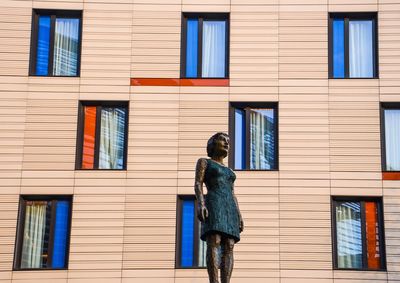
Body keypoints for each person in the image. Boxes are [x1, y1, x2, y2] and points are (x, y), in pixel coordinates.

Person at [194, 132, 244, 283]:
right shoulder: (204, 162)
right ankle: (214, 281)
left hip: (229, 206)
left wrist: (239, 215)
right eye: (223, 140)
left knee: (229, 244)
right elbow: (198, 183)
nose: (227, 143)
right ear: (213, 143)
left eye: (228, 141)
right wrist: (201, 203)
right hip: (214, 201)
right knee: (214, 240)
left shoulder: (230, 171)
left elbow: (233, 193)